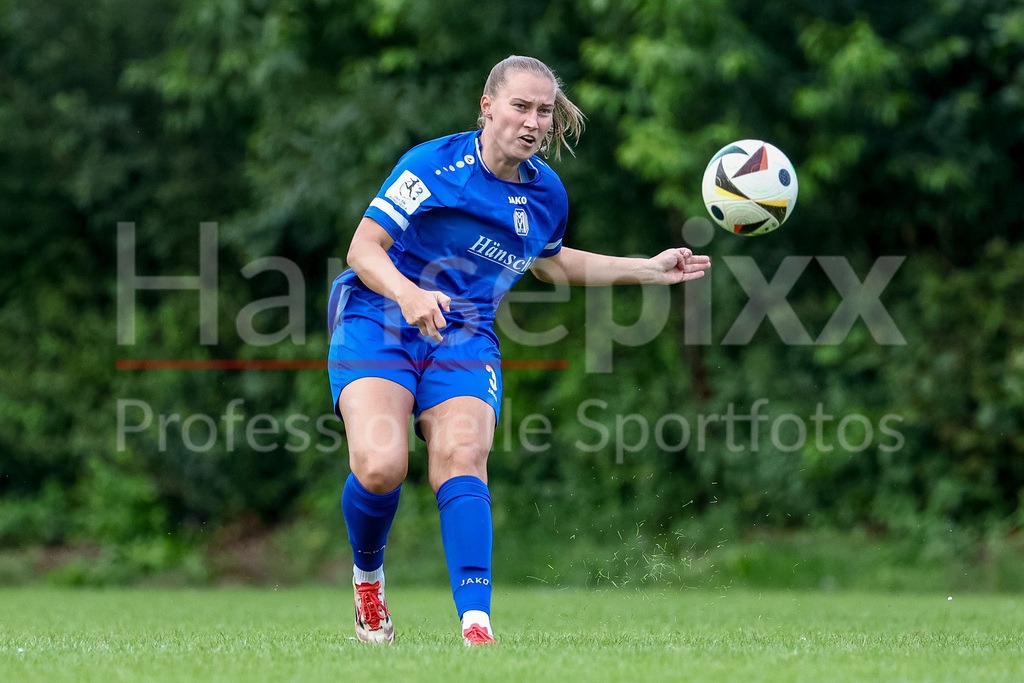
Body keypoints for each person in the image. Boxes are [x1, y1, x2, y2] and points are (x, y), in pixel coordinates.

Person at [327, 55, 711, 646]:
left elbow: (553, 262)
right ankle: (369, 579)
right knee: (381, 468)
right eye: (520, 106)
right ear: (487, 106)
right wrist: (407, 294)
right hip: (379, 317)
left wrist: (649, 270)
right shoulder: (432, 166)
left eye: (545, 110)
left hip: (466, 333)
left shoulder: (546, 192)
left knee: (462, 456)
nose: (533, 122)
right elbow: (363, 249)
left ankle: (476, 625)